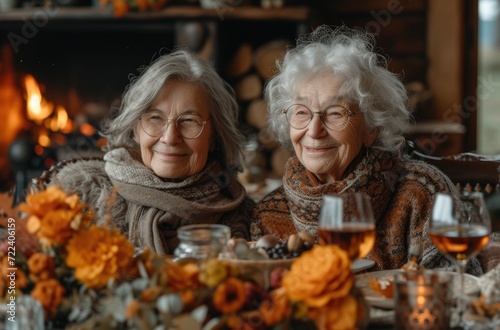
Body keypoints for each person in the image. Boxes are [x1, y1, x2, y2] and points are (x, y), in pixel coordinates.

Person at [250, 25, 485, 275]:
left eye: (335, 113)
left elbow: (456, 289)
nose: (314, 130)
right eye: (301, 112)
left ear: (372, 127)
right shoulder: (269, 213)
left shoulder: (422, 192)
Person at [50, 49, 254, 255]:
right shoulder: (77, 194)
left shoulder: (242, 218)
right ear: (136, 128)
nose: (170, 137)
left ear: (214, 136)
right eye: (155, 118)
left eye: (189, 120)